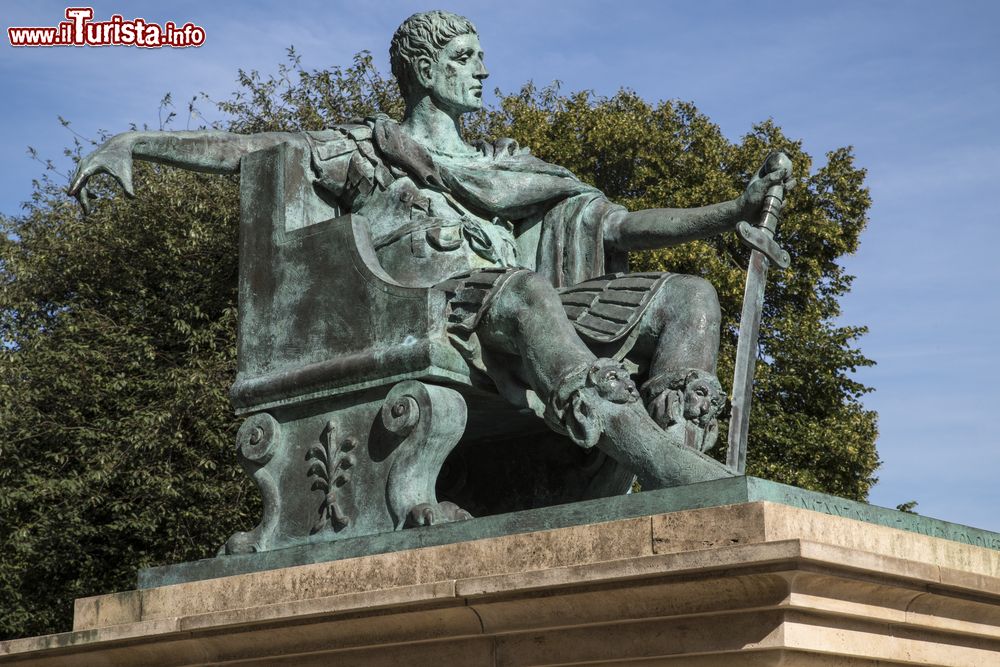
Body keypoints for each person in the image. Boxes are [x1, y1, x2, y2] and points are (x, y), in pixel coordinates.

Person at [69, 10, 793, 492]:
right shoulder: (373, 151)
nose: (482, 71)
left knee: (690, 295)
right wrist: (141, 143)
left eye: (482, 57)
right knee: (520, 291)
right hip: (439, 305)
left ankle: (680, 452)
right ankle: (651, 456)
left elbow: (621, 225)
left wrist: (732, 211)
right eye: (464, 57)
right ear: (423, 68)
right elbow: (260, 151)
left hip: (521, 310)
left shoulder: (509, 166)